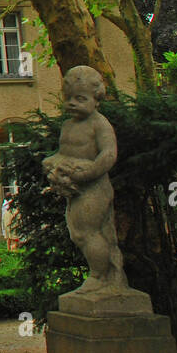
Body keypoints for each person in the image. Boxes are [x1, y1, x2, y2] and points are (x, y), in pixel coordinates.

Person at [42, 65, 126, 294]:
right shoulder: (68, 125)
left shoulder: (99, 124)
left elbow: (109, 155)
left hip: (94, 186)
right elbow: (63, 152)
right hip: (75, 187)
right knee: (77, 233)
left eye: (80, 98)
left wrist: (88, 173)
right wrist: (51, 163)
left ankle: (103, 277)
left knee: (87, 232)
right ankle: (100, 274)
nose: (72, 104)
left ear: (96, 98)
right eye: (68, 98)